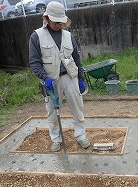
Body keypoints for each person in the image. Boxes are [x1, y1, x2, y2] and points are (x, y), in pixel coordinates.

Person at [29, 1, 90, 152]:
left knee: (77, 109)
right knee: (52, 113)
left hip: (70, 78)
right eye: (56, 22)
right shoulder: (36, 36)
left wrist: (81, 79)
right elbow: (34, 62)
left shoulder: (68, 36)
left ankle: (81, 136)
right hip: (51, 81)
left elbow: (77, 58)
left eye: (61, 22)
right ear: (47, 19)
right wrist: (44, 77)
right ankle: (56, 139)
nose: (58, 25)